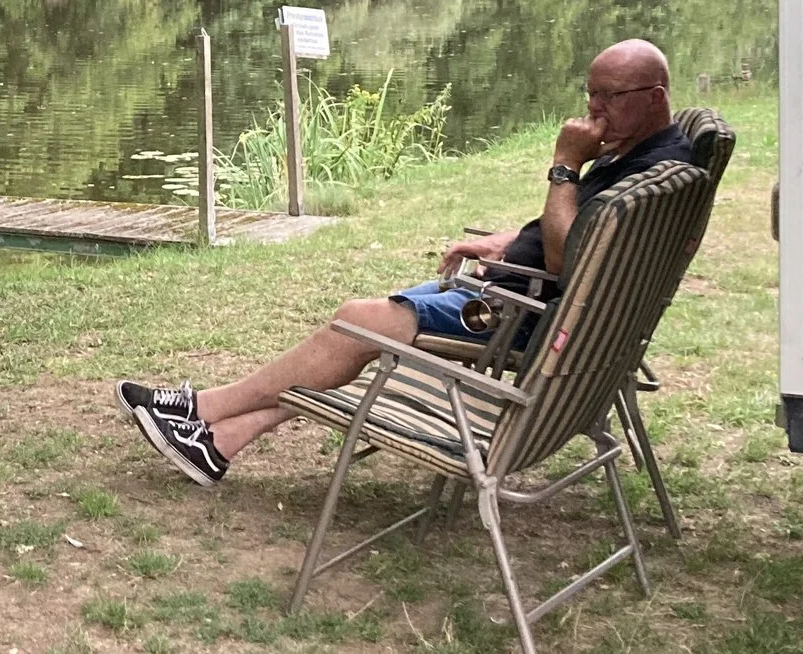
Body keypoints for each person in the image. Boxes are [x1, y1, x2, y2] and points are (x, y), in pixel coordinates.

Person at [117, 39, 694, 487]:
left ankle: (200, 407)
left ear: (655, 94)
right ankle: (219, 443)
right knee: (352, 340)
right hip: (527, 297)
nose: (594, 109)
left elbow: (570, 262)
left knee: (357, 322)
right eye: (590, 93)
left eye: (610, 97)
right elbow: (585, 244)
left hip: (517, 320)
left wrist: (565, 165)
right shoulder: (656, 160)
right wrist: (508, 242)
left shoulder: (640, 177)